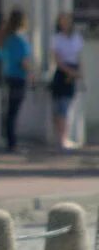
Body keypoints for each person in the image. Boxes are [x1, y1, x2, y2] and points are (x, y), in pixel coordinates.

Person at [0, 9, 33, 152]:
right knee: (14, 111)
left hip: (7, 76)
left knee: (9, 110)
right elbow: (24, 60)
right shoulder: (20, 39)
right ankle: (12, 143)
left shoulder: (6, 38)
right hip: (19, 77)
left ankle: (9, 140)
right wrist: (31, 73)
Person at [50, 12, 83, 149]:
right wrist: (69, 72)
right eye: (62, 21)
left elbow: (79, 58)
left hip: (73, 72)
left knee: (66, 107)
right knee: (58, 107)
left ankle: (64, 137)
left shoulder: (76, 38)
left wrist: (78, 73)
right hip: (62, 72)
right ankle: (60, 137)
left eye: (67, 21)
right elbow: (57, 59)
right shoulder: (56, 38)